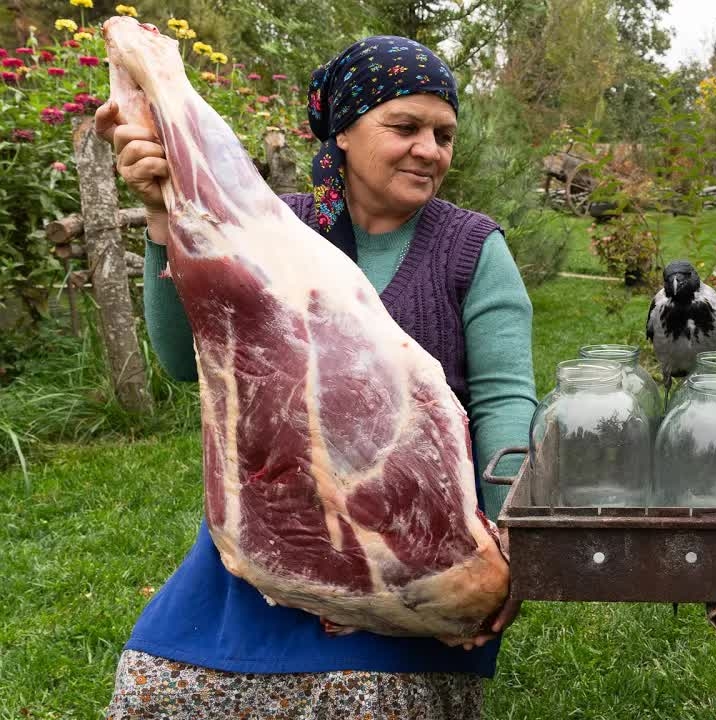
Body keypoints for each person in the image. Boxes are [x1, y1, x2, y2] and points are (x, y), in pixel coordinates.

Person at [97, 35, 535, 718]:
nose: (430, 150)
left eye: (444, 135)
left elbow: (505, 398)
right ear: (344, 132)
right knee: (157, 686)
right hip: (274, 532)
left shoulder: (470, 247)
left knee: (365, 699)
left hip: (412, 544)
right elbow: (186, 363)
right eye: (406, 127)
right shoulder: (273, 225)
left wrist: (508, 544)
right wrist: (162, 214)